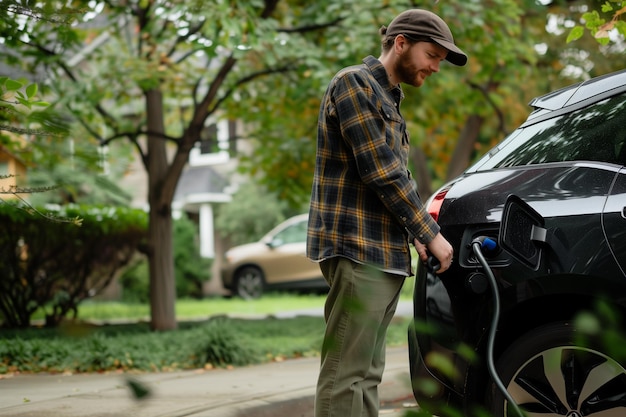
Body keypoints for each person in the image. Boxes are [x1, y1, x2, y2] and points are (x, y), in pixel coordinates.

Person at [306, 8, 467, 417]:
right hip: (358, 250)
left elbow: (389, 177)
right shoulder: (353, 83)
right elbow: (382, 171)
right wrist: (429, 230)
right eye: (432, 54)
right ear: (401, 43)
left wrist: (411, 233)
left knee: (367, 374)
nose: (436, 66)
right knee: (346, 373)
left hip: (384, 253)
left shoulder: (389, 98)